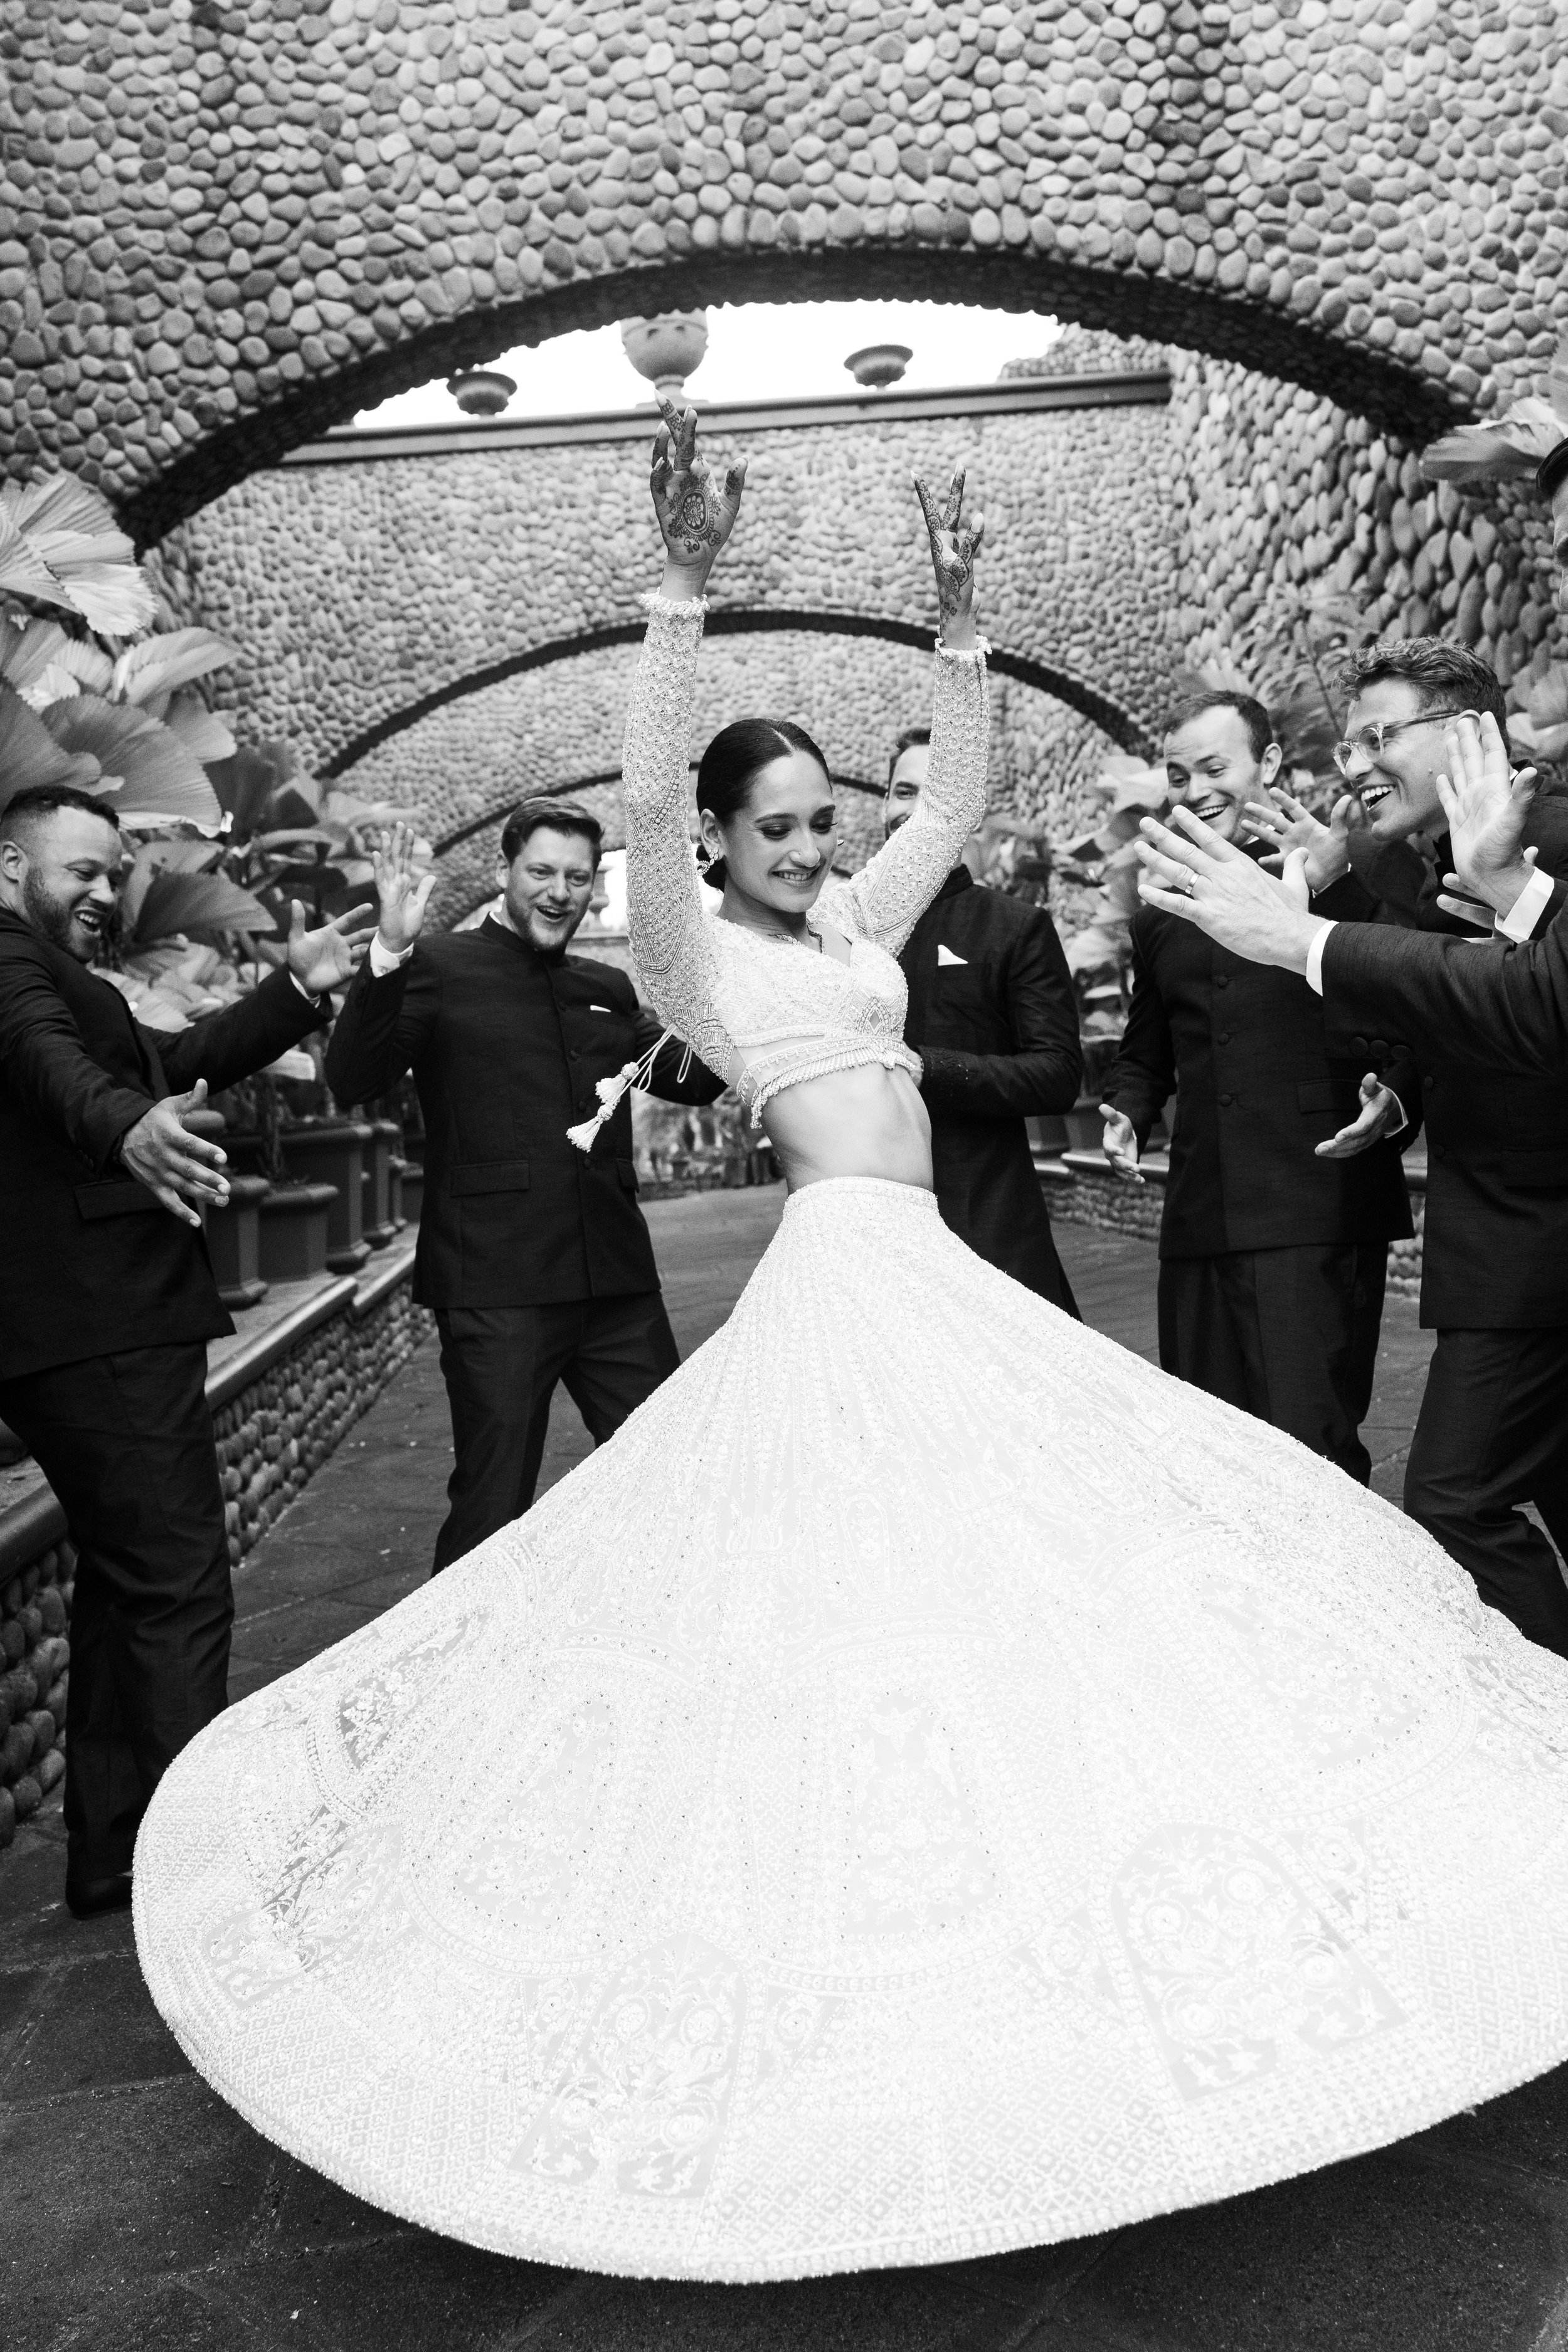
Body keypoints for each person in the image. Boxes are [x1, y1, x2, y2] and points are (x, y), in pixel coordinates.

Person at [137, 412, 1568, 2284]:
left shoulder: (860, 920)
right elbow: (645, 813)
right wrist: (674, 601)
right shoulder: (689, 962)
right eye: (788, 823)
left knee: (1054, 1575)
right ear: (720, 841)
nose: (824, 846)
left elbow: (955, 809)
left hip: (940, 1271)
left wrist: (963, 622)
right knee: (835, 1608)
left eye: (827, 817)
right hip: (836, 1278)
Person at [0, 781, 368, 1918]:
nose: (108, 892)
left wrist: (296, 991)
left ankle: (114, 1854)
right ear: (10, 869)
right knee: (177, 1588)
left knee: (124, 1589)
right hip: (96, 1325)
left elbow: (182, 1054)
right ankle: (206, 1884)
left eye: (116, 872)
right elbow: (48, 1062)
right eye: (83, 872)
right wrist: (125, 1127)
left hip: (88, 1326)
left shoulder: (56, 973)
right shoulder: (9, 963)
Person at [1232, 645, 1568, 1655]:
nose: (1356, 761)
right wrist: (1403, 1092)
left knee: (1459, 1500)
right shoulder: (1445, 854)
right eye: (1351, 741)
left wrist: (1302, 942)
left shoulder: (1547, 835)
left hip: (1536, 1235)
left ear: (1468, 734)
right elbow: (1476, 1010)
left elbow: (1537, 1009)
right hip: (1508, 1234)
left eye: (1382, 736)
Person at [324, 798, 726, 1569]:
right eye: (541, 871)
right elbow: (352, 1077)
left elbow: (696, 1079)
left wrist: (723, 964)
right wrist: (387, 954)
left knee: (669, 1475)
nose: (559, 891)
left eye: (578, 876)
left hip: (614, 1284)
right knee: (493, 1501)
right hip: (495, 1290)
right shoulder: (436, 965)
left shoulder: (607, 984)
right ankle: (459, 1677)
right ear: (505, 872)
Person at [1099, 691, 1414, 1481]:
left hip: (1316, 1201)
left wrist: (1394, 1096)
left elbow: (1414, 1010)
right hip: (1202, 1212)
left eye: (1215, 767)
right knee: (1211, 1454)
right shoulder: (1162, 911)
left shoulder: (1351, 883)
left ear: (1267, 764)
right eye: (1180, 773)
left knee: (1314, 1452)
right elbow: (1147, 1051)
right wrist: (1129, 1110)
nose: (1197, 789)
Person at [888, 723, 1083, 1311]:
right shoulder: (841, 931)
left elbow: (1056, 1073)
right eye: (901, 791)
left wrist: (931, 1070)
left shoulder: (1013, 927)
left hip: (988, 1225)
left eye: (931, 794)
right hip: (874, 1232)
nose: (909, 811)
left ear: (968, 813)